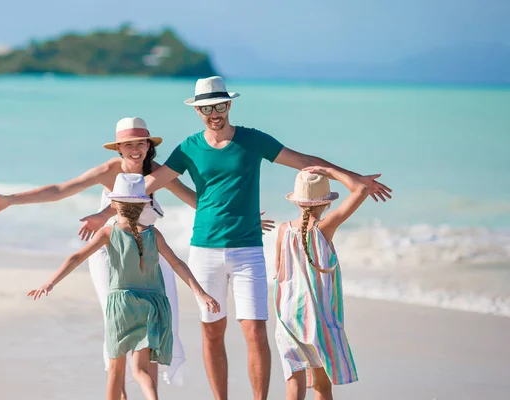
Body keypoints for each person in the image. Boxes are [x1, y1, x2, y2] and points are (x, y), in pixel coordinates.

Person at [80, 76, 392, 400]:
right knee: (212, 332)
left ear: (229, 105)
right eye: (206, 108)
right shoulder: (188, 148)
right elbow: (140, 190)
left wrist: (353, 177)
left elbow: (305, 161)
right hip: (204, 251)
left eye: (219, 106)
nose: (214, 113)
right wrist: (103, 217)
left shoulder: (253, 140)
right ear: (198, 110)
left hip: (248, 251)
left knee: (255, 331)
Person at [28, 173, 220, 400]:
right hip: (153, 306)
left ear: (114, 204)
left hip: (122, 306)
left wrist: (50, 283)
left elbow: (76, 257)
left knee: (116, 370)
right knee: (140, 370)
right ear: (143, 205)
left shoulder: (108, 233)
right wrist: (201, 294)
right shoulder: (153, 233)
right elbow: (177, 264)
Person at [274, 168, 369, 400]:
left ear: (297, 201)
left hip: (286, 315)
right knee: (322, 385)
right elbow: (362, 189)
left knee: (293, 383)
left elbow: (278, 271)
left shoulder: (284, 230)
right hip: (315, 317)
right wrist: (329, 171)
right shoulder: (324, 228)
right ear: (325, 203)